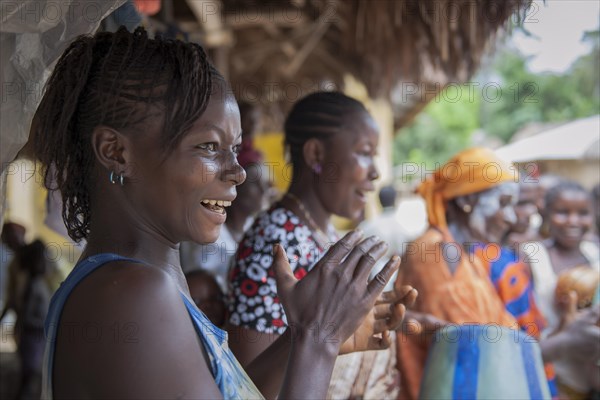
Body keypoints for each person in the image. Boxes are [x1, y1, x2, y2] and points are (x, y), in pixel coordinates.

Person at [31, 27, 404, 399]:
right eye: (209, 146)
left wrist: (302, 338)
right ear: (116, 152)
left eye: (235, 148)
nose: (238, 172)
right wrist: (317, 340)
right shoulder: (133, 297)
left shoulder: (147, 282)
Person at [228, 92, 417, 399]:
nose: (375, 172)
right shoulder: (272, 242)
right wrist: (312, 331)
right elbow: (243, 387)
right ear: (316, 154)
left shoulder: (322, 232)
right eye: (365, 153)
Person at [395, 147, 599, 399]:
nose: (511, 217)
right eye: (504, 204)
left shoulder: (465, 255)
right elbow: (472, 356)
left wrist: (566, 332)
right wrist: (563, 345)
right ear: (466, 202)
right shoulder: (437, 252)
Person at [525, 180, 599, 397]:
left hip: (590, 379)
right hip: (554, 377)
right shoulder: (532, 256)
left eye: (583, 213)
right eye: (563, 212)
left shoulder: (594, 252)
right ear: (546, 213)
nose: (573, 221)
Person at [180, 144, 271, 291]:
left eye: (265, 184)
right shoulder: (205, 236)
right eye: (255, 184)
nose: (263, 190)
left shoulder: (254, 228)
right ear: (235, 186)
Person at [16, 239, 52, 400]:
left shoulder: (38, 284)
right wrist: (46, 325)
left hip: (34, 341)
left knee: (30, 381)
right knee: (29, 382)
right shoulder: (34, 286)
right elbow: (27, 318)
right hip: (31, 341)